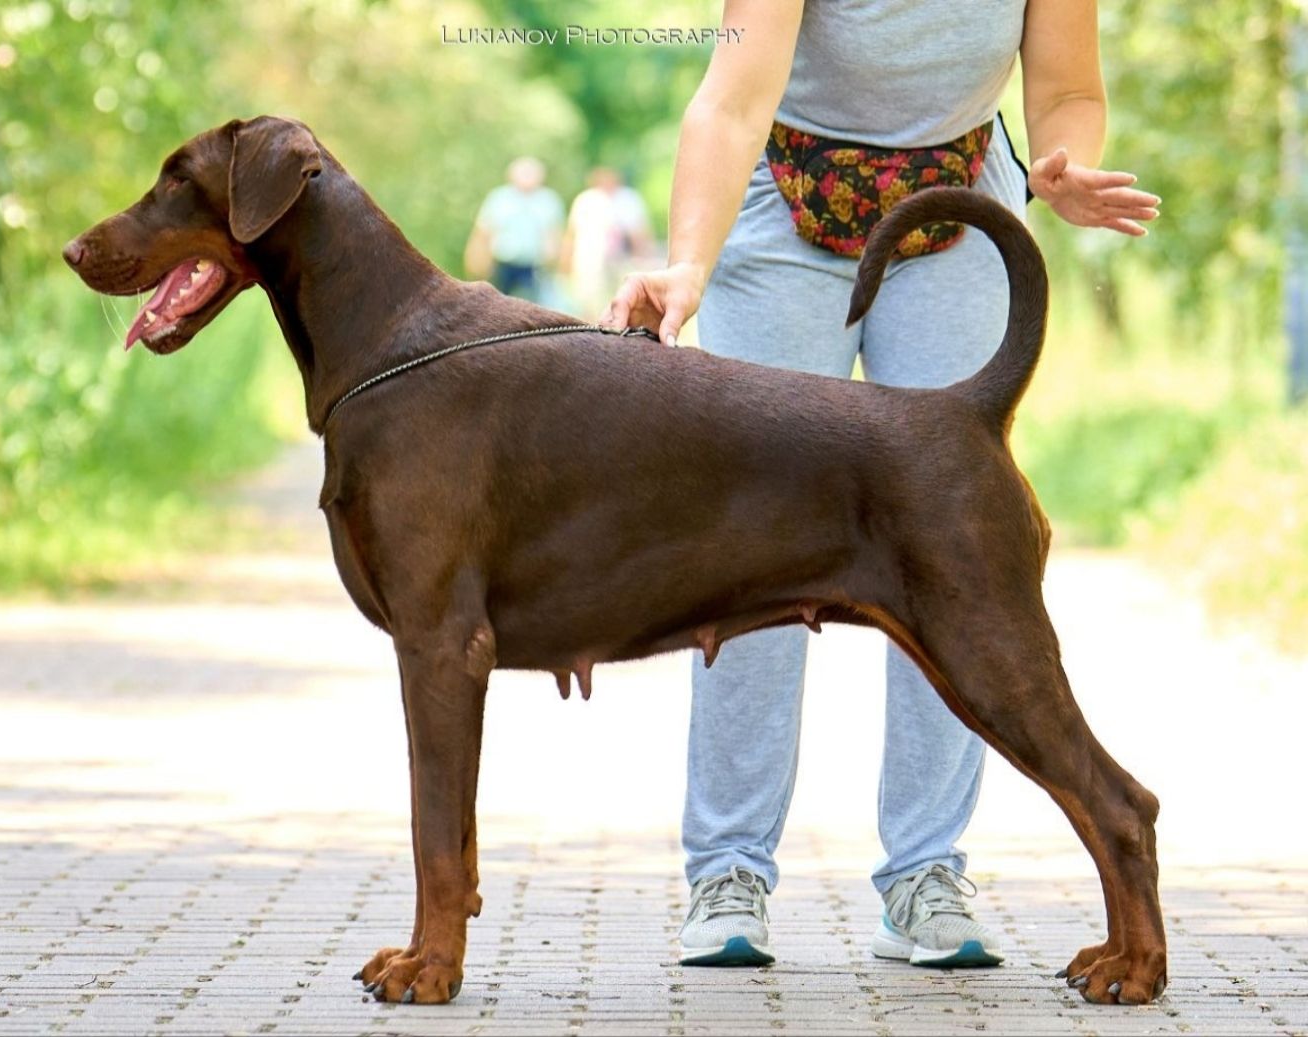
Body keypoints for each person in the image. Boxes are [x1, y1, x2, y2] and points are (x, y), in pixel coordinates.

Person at [602, 0, 1159, 969]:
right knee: (752, 543)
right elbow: (731, 102)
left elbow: (1068, 90)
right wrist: (689, 262)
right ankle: (729, 867)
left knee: (949, 551)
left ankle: (926, 874)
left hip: (960, 204)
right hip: (784, 196)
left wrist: (1062, 159)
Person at [465, 156, 565, 302]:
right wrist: (479, 261)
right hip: (503, 264)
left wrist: (555, 262)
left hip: (535, 266)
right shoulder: (499, 198)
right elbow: (483, 232)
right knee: (498, 306)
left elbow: (555, 234)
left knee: (533, 307)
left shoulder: (548, 200)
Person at [560, 167, 655, 318]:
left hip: (621, 257)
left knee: (622, 295)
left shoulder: (629, 199)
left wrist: (642, 257)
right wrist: (566, 260)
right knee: (590, 298)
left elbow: (639, 232)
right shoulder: (586, 200)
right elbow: (572, 232)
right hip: (591, 258)